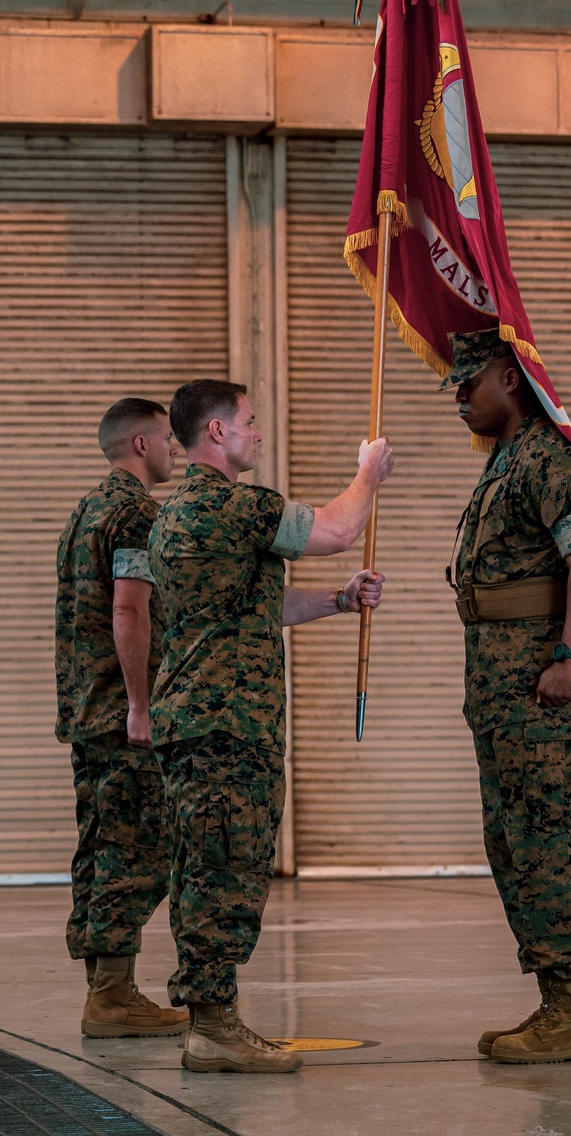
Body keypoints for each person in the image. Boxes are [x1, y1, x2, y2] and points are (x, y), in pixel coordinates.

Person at [149, 378, 393, 1075]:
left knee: (205, 866)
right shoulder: (236, 505)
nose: (257, 433)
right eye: (249, 423)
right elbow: (339, 528)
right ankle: (214, 1025)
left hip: (195, 720)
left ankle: (210, 1016)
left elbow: (258, 606)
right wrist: (367, 471)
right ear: (217, 433)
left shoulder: (176, 518)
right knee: (226, 870)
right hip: (228, 725)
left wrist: (338, 601)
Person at [441, 327, 571, 1064]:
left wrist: (569, 657)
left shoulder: (549, 457)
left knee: (548, 837)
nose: (457, 396)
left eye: (468, 382)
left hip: (545, 687)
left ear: (510, 379)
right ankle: (556, 999)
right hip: (505, 689)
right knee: (513, 838)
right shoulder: (505, 462)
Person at [55, 397, 187, 1039]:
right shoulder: (136, 512)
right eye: (167, 438)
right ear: (140, 444)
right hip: (119, 710)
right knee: (136, 847)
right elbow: (130, 611)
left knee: (101, 843)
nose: (174, 449)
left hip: (86, 707)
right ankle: (110, 997)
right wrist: (141, 703)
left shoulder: (86, 510)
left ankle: (107, 989)